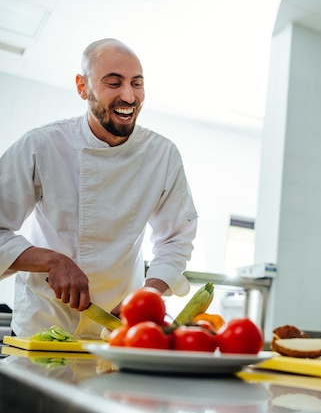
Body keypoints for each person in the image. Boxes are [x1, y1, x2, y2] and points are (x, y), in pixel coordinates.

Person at [0, 38, 198, 338]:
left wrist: (149, 294)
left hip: (118, 328)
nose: (129, 96)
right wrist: (52, 261)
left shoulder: (162, 155)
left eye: (137, 83)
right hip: (43, 321)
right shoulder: (42, 145)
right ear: (83, 87)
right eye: (114, 83)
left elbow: (176, 241)